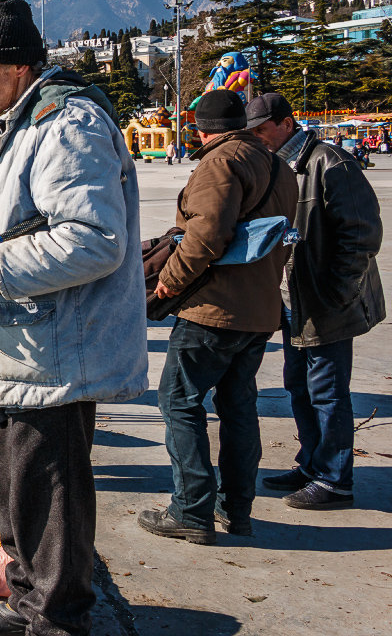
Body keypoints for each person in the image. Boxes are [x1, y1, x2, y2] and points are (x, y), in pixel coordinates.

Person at [0, 0, 148, 636]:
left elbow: (92, 239)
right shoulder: (23, 126)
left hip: (53, 351)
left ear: (21, 69)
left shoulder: (66, 124)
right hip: (29, 345)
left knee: (49, 493)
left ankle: (55, 623)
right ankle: (30, 603)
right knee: (19, 487)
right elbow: (29, 229)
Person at [139, 89, 297, 545]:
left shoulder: (221, 162)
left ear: (201, 130)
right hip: (260, 308)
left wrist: (169, 280)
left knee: (178, 402)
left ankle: (191, 510)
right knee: (238, 408)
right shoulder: (277, 165)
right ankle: (237, 511)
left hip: (215, 309)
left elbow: (205, 235)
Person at [246, 92, 385, 510]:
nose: (257, 137)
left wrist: (337, 294)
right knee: (299, 386)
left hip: (325, 302)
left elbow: (361, 235)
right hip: (293, 300)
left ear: (287, 123)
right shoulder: (275, 165)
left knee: (327, 390)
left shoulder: (330, 162)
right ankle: (312, 463)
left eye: (261, 129)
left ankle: (335, 479)